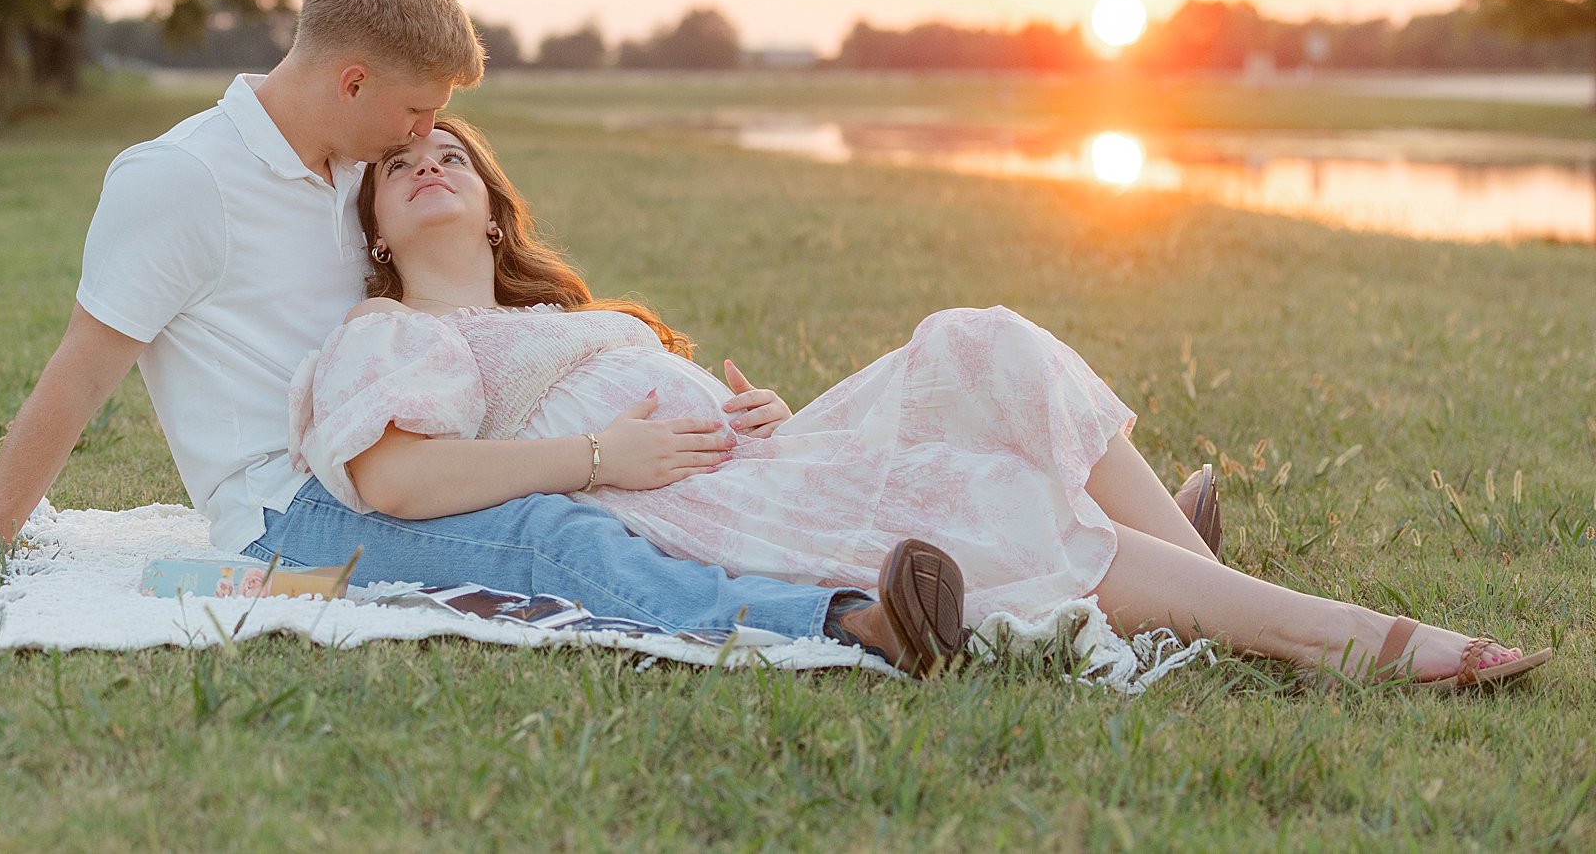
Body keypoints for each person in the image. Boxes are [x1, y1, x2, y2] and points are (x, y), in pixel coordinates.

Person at [0, 0, 958, 673]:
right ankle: (841, 628)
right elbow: (75, 382)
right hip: (302, 508)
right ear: (349, 83)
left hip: (437, 438)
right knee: (548, 533)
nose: (422, 135)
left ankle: (925, 554)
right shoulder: (177, 184)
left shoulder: (353, 167)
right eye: (417, 109)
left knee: (653, 492)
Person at [287, 115, 1554, 691]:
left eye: (450, 151)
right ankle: (1325, 632)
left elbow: (680, 408)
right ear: (378, 230)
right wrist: (600, 453)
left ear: (492, 200)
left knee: (980, 341)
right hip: (687, 507)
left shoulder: (562, 317)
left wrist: (752, 416)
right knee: (989, 494)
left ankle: (1182, 591)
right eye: (401, 166)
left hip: (748, 463)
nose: (431, 162)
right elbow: (395, 484)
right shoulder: (394, 334)